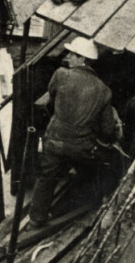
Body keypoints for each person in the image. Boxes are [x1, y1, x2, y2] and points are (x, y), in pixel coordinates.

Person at [28, 36, 123, 227]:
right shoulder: (103, 90)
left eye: (73, 54)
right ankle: (88, 203)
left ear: (83, 59)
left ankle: (36, 220)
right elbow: (106, 131)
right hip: (81, 149)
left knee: (46, 178)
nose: (68, 57)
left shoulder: (61, 75)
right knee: (94, 168)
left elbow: (52, 100)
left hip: (54, 143)